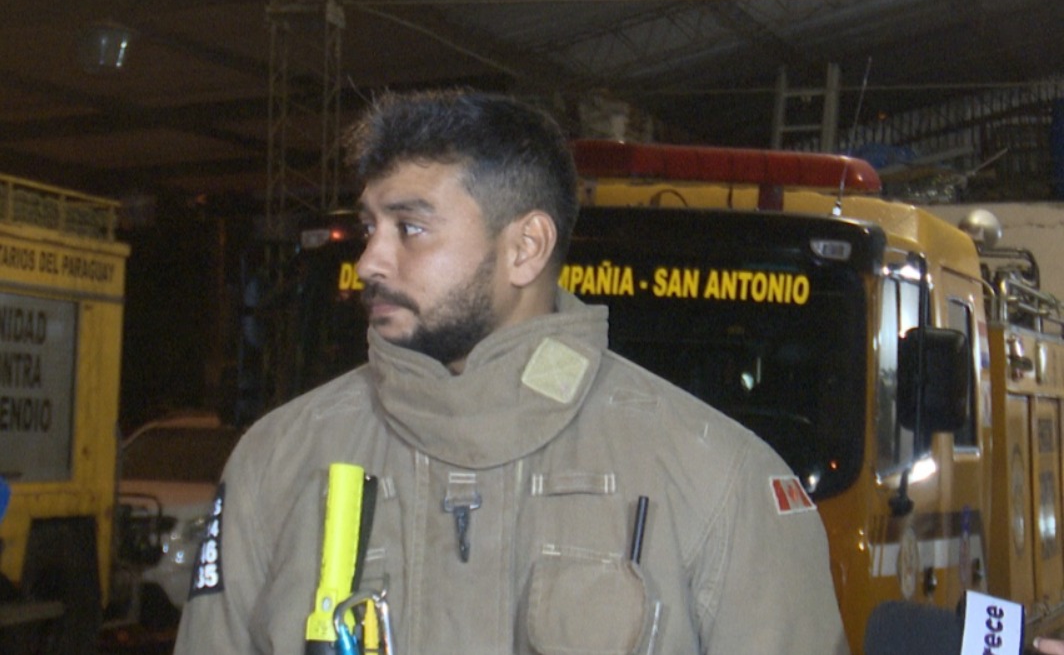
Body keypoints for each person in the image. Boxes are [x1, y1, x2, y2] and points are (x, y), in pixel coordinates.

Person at [174, 90, 848, 654]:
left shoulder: (720, 482)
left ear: (525, 248)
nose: (370, 261)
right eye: (371, 226)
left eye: (409, 228)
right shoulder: (277, 461)